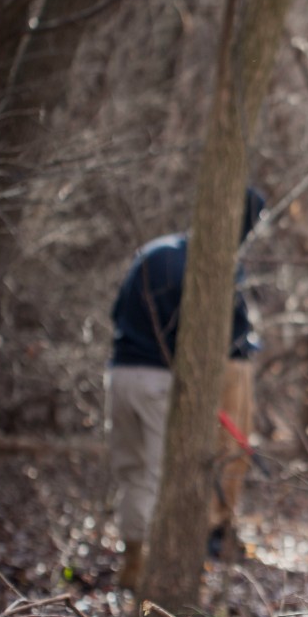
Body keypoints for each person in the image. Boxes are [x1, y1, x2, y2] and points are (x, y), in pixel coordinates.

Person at [107, 187, 266, 589]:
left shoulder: (153, 251)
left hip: (120, 373)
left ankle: (133, 559)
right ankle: (147, 571)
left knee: (132, 472)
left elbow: (115, 312)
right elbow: (208, 337)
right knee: (161, 476)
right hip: (159, 378)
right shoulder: (207, 265)